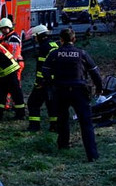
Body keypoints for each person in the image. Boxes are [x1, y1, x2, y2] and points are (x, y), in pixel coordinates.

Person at [45, 28, 104, 162]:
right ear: (74, 39)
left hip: (60, 90)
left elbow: (45, 71)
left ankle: (63, 145)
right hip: (80, 90)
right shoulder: (82, 54)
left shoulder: (54, 54)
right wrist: (99, 87)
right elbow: (95, 72)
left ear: (60, 40)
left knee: (62, 119)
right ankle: (92, 155)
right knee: (86, 122)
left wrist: (52, 83)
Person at [24, 24, 59, 131]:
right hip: (55, 80)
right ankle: (55, 126)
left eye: (35, 37)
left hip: (45, 81)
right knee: (51, 103)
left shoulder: (43, 47)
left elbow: (42, 67)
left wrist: (38, 82)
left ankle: (34, 127)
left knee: (33, 103)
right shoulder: (54, 44)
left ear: (40, 35)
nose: (34, 39)